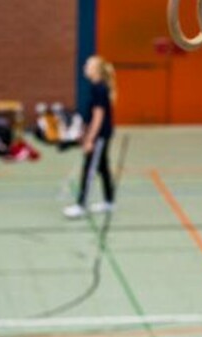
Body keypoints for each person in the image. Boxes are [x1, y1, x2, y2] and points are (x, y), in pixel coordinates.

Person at [63, 56, 117, 219]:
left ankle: (81, 205)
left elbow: (98, 116)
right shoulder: (95, 86)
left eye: (88, 65)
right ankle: (109, 201)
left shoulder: (99, 88)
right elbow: (90, 115)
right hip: (99, 134)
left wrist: (90, 139)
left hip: (100, 136)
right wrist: (83, 132)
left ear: (96, 70)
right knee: (102, 167)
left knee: (89, 169)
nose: (85, 66)